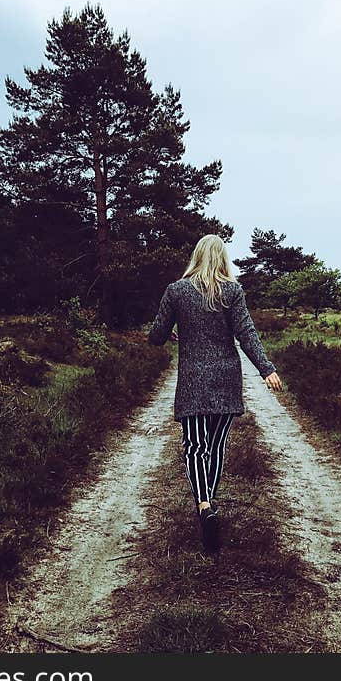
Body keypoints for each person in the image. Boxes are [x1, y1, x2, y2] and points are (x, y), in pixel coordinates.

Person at [147, 234, 283, 552]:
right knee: (217, 446)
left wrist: (170, 334)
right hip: (225, 379)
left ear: (196, 256)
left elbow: (156, 335)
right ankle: (211, 502)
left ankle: (204, 506)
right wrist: (267, 369)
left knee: (195, 446)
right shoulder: (232, 291)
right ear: (222, 258)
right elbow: (246, 333)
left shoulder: (176, 291)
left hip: (193, 380)